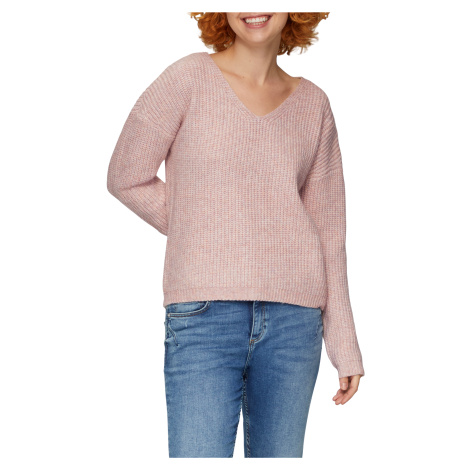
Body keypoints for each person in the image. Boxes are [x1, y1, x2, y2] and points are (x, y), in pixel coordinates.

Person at [107, 12, 365, 458]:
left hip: (295, 322)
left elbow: (329, 231)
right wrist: (203, 229)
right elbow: (126, 176)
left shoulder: (313, 104)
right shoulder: (187, 79)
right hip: (204, 316)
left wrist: (344, 343)